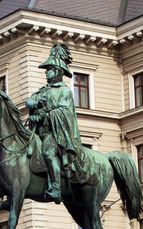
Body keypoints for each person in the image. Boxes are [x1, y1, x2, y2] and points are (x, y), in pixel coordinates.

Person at [26, 44, 81, 203]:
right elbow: (31, 100)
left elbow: (64, 113)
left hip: (55, 133)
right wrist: (32, 104)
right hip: (38, 131)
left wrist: (43, 115)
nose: (46, 72)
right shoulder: (43, 90)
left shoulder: (64, 91)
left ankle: (55, 188)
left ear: (57, 71)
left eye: (49, 69)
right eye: (46, 70)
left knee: (48, 153)